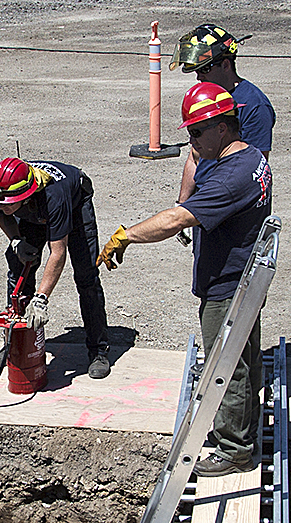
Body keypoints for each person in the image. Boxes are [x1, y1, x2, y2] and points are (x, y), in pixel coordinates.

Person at [97, 83, 273, 476]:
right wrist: (185, 192)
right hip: (248, 273)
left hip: (228, 284)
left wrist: (126, 235)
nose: (191, 141)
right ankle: (245, 426)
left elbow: (175, 221)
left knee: (226, 365)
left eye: (196, 132)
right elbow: (195, 159)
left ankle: (235, 449)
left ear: (223, 128)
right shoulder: (251, 156)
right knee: (245, 353)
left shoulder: (231, 179)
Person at [0, 157, 113, 379]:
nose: (3, 206)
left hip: (75, 203)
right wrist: (16, 240)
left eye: (9, 203)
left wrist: (41, 299)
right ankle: (14, 344)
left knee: (86, 276)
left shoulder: (55, 196)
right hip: (33, 211)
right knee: (18, 269)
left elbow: (58, 252)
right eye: (0, 202)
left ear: (24, 194)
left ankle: (98, 351)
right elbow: (0, 216)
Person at [175, 24, 273, 202]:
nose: (198, 77)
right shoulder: (205, 99)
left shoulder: (255, 106)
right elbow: (194, 157)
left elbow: (256, 169)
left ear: (226, 64)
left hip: (227, 202)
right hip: (203, 200)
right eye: (197, 70)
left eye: (204, 69)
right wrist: (182, 203)